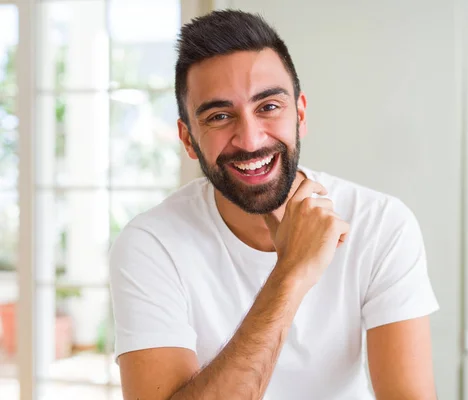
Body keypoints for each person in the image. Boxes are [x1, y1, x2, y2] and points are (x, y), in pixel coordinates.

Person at [109, 9, 439, 400]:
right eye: (219, 116)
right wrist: (291, 273)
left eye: (268, 107)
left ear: (299, 114)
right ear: (187, 139)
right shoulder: (151, 243)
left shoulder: (382, 224)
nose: (249, 140)